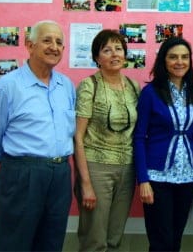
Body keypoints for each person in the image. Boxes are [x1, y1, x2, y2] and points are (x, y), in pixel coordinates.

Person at [0, 20, 76, 251]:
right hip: (22, 174)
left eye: (59, 42)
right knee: (14, 242)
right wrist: (14, 164)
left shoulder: (67, 86)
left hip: (60, 174)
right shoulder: (8, 86)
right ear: (29, 45)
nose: (54, 46)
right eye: (47, 40)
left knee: (51, 242)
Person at [133, 37, 193, 252]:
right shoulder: (151, 93)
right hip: (158, 177)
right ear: (163, 61)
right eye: (173, 57)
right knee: (160, 241)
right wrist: (143, 180)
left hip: (187, 176)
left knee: (175, 239)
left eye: (184, 57)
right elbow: (139, 138)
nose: (179, 62)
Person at [74, 29, 140, 251]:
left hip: (127, 169)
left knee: (114, 236)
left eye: (119, 49)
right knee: (95, 238)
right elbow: (78, 137)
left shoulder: (134, 87)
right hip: (96, 167)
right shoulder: (89, 85)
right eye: (107, 50)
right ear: (96, 57)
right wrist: (86, 184)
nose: (114, 54)